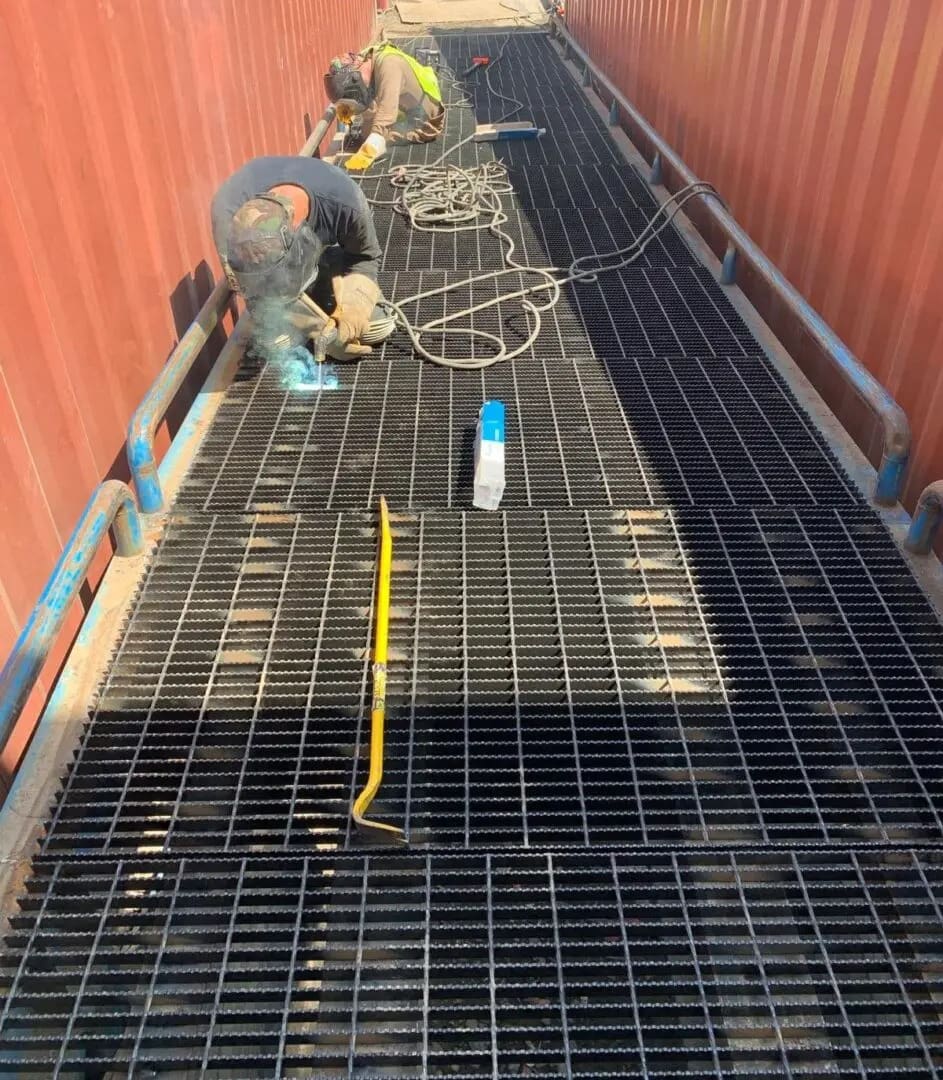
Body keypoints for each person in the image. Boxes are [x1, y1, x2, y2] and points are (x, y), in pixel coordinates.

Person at [211, 155, 393, 361]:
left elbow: (365, 257)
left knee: (375, 328)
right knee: (275, 343)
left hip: (327, 259)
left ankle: (324, 291)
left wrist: (354, 307)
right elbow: (246, 284)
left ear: (300, 232)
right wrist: (312, 325)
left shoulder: (347, 204)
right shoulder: (228, 213)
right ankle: (301, 312)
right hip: (264, 282)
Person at [325, 43, 445, 171]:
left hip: (425, 123)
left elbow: (386, 114)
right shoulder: (370, 59)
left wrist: (368, 151)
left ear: (357, 70)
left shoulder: (389, 65)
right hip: (404, 111)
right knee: (366, 132)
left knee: (376, 134)